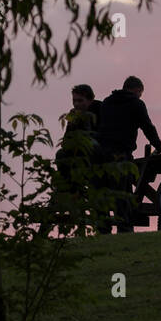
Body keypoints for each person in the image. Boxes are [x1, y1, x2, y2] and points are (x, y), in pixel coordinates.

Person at [92, 76, 161, 234]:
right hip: (120, 155)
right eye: (140, 93)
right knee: (122, 196)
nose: (140, 96)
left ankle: (103, 231)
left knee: (102, 194)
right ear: (137, 90)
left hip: (100, 155)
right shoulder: (136, 104)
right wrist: (158, 145)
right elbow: (147, 126)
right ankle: (124, 231)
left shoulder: (107, 102)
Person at [51, 85, 102, 230]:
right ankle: (71, 189)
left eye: (80, 101)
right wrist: (73, 125)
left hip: (94, 154)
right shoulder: (73, 114)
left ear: (90, 100)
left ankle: (74, 190)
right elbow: (66, 140)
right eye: (74, 101)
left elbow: (101, 134)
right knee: (60, 155)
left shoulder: (99, 109)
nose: (77, 104)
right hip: (75, 154)